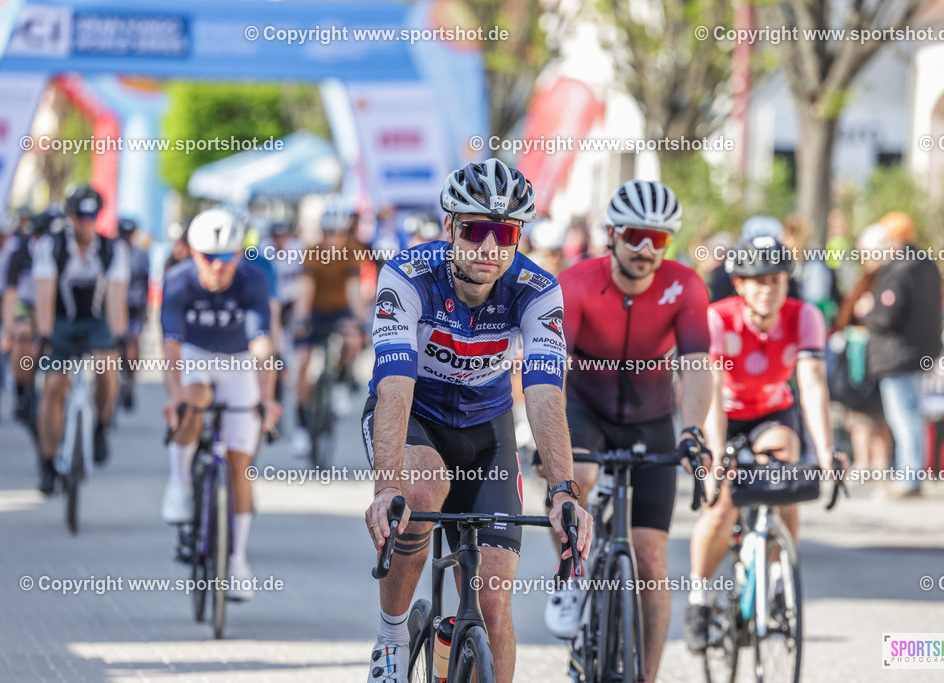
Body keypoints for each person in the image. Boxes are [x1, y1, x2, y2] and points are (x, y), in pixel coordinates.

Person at [362, 159, 593, 683]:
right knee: (420, 494)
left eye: (505, 232)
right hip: (416, 416)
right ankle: (393, 637)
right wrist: (386, 487)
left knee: (492, 600)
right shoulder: (407, 276)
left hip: (486, 430)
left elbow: (543, 394)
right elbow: (395, 387)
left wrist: (563, 490)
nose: (490, 247)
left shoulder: (537, 289)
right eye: (475, 230)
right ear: (450, 229)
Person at [542, 179, 712, 682]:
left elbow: (698, 364)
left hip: (652, 416)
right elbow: (550, 371)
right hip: (585, 408)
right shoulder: (574, 284)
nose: (644, 249)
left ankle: (647, 675)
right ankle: (572, 574)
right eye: (635, 235)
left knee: (652, 558)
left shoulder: (685, 286)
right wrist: (543, 440)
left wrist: (693, 432)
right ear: (611, 233)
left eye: (658, 239)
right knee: (581, 476)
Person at [685, 234, 845, 652]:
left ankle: (777, 580)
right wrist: (717, 454)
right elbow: (713, 389)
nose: (768, 290)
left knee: (784, 480)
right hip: (725, 413)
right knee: (720, 507)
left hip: (773, 411)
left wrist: (825, 450)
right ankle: (700, 599)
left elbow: (811, 383)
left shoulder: (804, 315)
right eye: (757, 281)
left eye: (776, 280)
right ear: (739, 284)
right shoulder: (719, 318)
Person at [159, 207, 281, 600]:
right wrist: (173, 396)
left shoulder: (252, 279)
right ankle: (178, 483)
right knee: (195, 399)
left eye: (227, 257)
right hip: (195, 356)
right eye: (209, 258)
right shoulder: (176, 280)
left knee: (239, 464)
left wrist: (267, 397)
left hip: (239, 362)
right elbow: (170, 347)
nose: (218, 267)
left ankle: (238, 560)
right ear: (193, 254)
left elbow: (263, 344)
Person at [33, 186, 129, 493]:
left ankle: (100, 426)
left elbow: (116, 297)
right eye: (79, 216)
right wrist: (45, 335)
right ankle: (48, 462)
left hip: (96, 320)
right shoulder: (52, 245)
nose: (85, 222)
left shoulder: (112, 249)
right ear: (70, 216)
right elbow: (45, 293)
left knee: (106, 368)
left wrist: (120, 337)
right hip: (61, 321)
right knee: (54, 386)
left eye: (91, 216)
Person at [854, 211, 943, 497]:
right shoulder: (927, 266)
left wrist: (868, 312)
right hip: (920, 352)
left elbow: (888, 316)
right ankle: (913, 474)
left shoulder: (899, 269)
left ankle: (909, 478)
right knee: (914, 416)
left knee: (904, 418)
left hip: (898, 355)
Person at [291, 199, 367, 454]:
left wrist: (359, 317)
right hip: (314, 310)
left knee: (352, 339)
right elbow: (305, 289)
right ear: (322, 232)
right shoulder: (312, 252)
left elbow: (354, 289)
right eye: (329, 232)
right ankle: (302, 427)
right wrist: (301, 317)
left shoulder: (353, 251)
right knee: (302, 366)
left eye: (339, 233)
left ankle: (342, 381)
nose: (334, 238)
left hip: (339, 310)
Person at [831, 223, 892, 473]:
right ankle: (868, 462)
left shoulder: (883, 278)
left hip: (871, 355)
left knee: (873, 414)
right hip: (860, 354)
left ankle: (876, 463)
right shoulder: (870, 277)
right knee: (862, 414)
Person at [0, 209, 60, 425]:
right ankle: (21, 391)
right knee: (23, 335)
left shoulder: (62, 251)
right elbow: (11, 291)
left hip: (55, 307)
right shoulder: (21, 253)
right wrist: (8, 329)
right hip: (27, 307)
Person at [116, 217, 151, 411]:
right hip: (114, 306)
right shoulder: (111, 252)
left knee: (132, 348)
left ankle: (129, 385)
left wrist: (145, 308)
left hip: (134, 306)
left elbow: (145, 282)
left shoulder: (141, 255)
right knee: (113, 349)